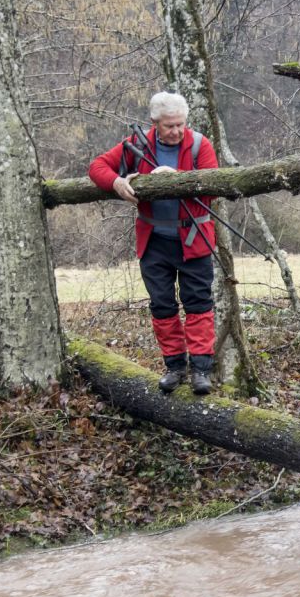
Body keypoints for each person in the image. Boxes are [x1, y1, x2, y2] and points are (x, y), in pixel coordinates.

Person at [89, 91, 218, 395]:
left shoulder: (200, 145)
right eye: (169, 126)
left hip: (194, 239)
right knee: (162, 306)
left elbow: (213, 185)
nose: (175, 131)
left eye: (180, 125)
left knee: (198, 304)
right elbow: (97, 167)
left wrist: (176, 178)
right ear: (154, 123)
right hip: (154, 242)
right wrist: (117, 181)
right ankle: (174, 367)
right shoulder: (137, 146)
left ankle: (201, 370)